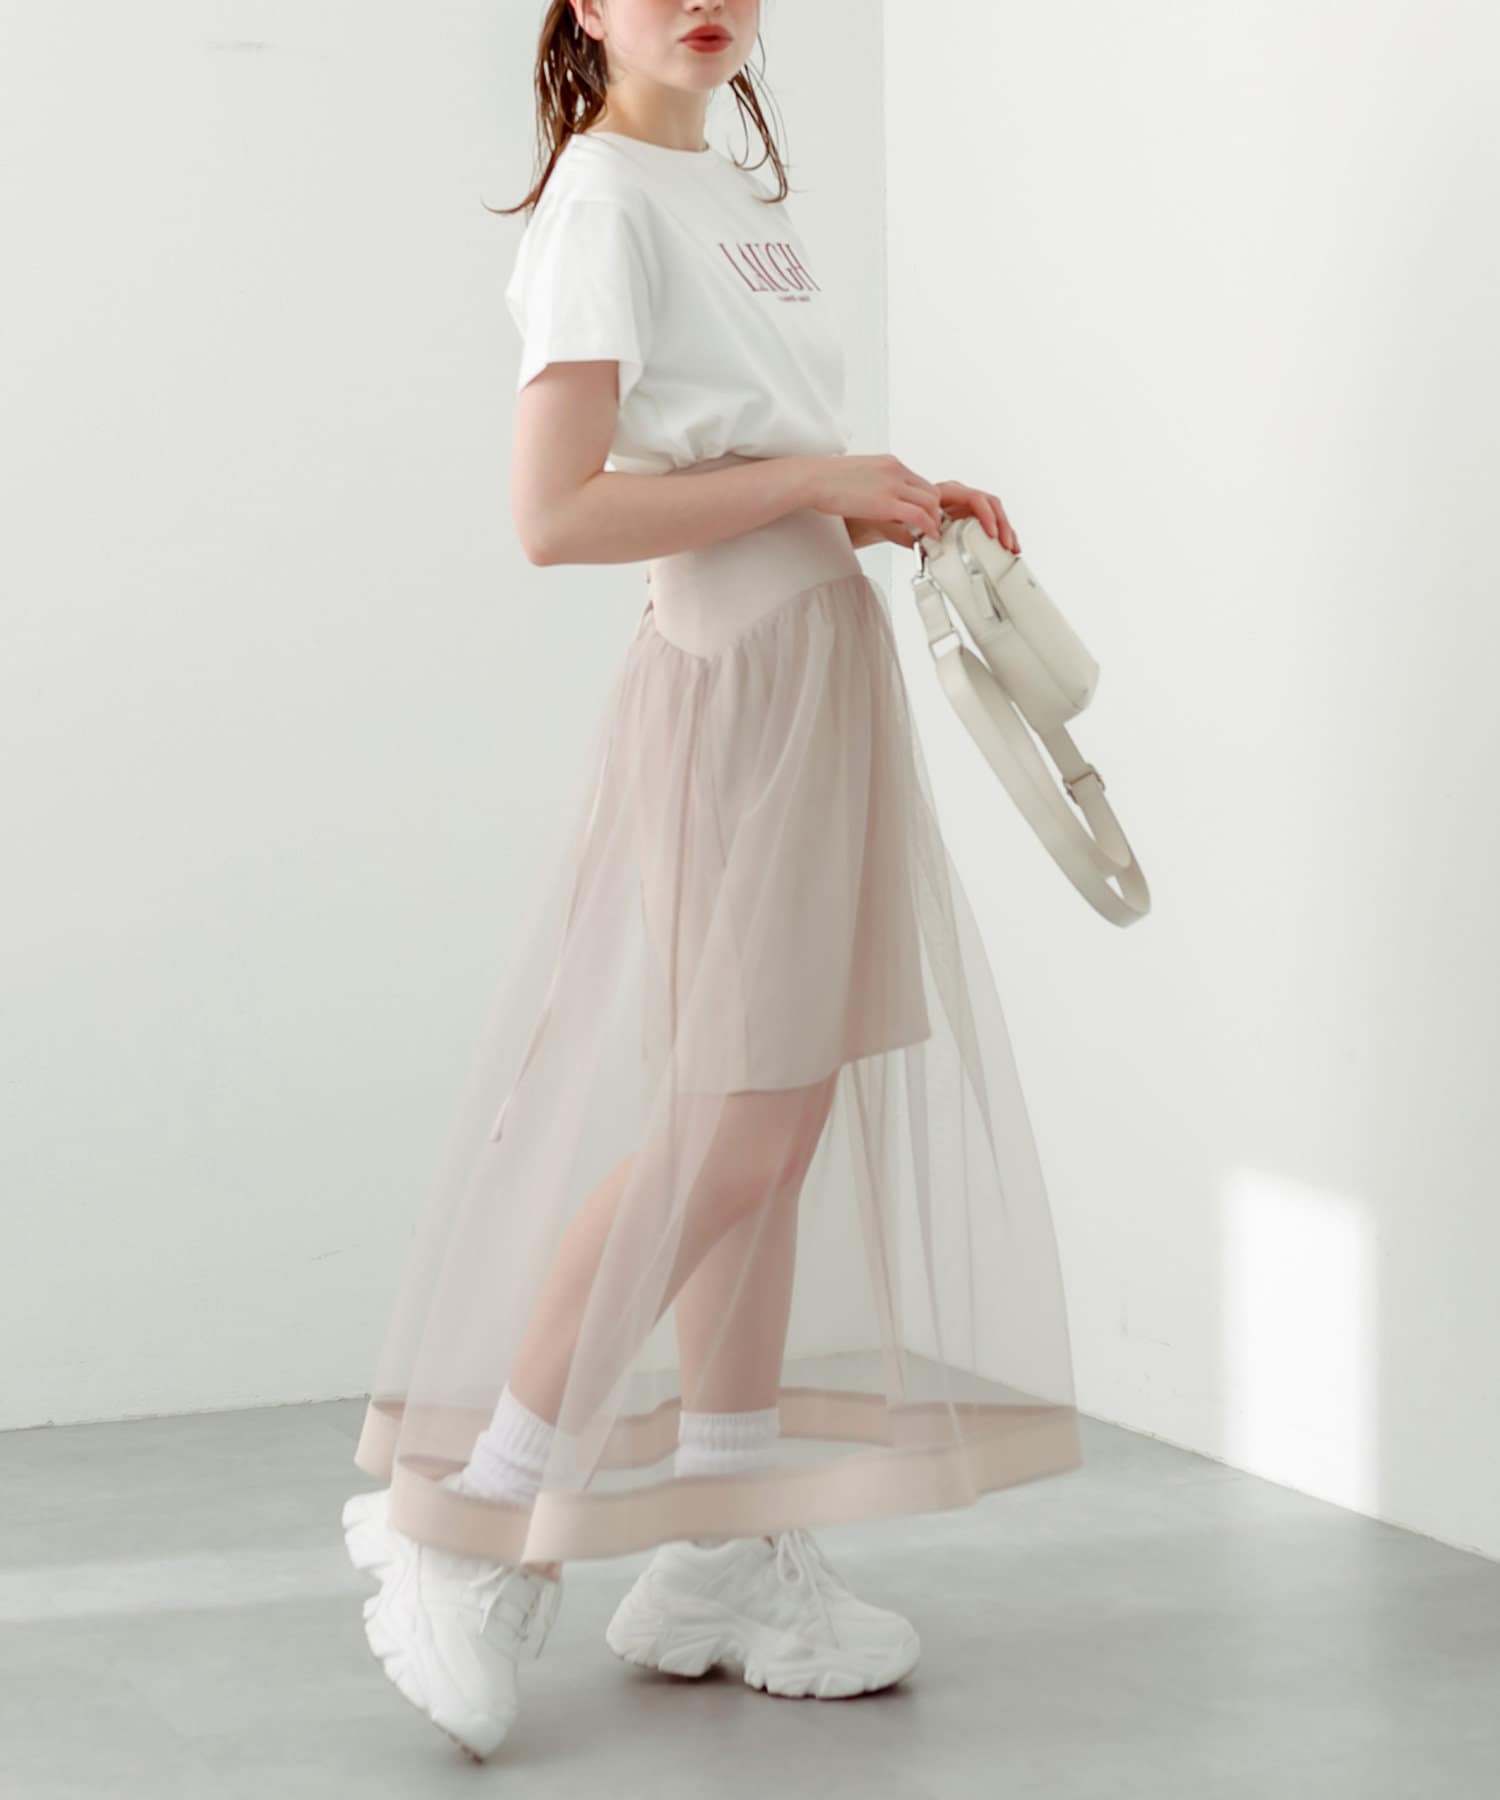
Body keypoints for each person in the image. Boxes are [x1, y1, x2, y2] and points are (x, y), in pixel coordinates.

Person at [341, 0, 1082, 1763]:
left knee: (778, 1122)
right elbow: (556, 514)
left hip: (815, 663)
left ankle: (725, 1545)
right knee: (731, 1126)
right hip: (736, 686)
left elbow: (736, 453)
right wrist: (815, 477)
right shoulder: (601, 200)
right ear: (582, 6)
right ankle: (470, 1519)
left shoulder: (732, 183)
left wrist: (872, 497)